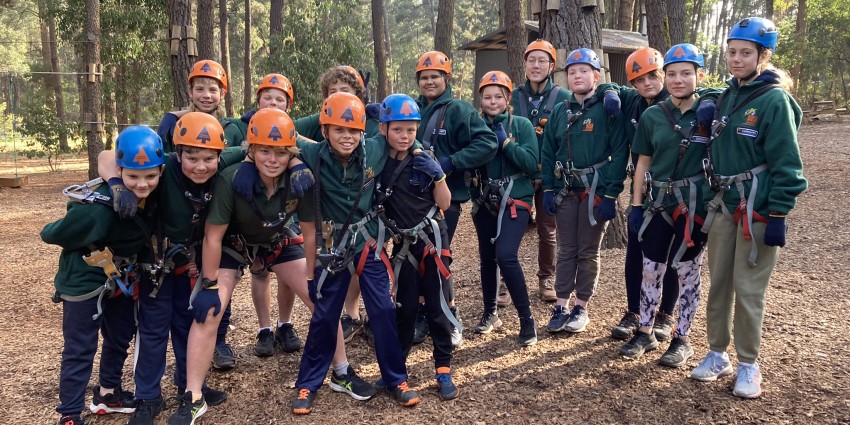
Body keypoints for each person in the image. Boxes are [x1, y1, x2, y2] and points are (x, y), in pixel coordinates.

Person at [691, 17, 807, 399]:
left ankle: (748, 364)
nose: (736, 59)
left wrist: (778, 214)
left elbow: (787, 163)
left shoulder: (773, 101)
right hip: (724, 204)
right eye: (731, 52)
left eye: (745, 53)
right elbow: (706, 95)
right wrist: (707, 102)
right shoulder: (726, 95)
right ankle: (716, 352)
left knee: (749, 287)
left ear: (763, 55)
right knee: (719, 283)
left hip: (757, 208)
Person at [96, 113, 237, 425]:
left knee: (189, 326)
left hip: (190, 266)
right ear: (178, 152)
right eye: (192, 157)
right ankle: (148, 396)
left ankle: (190, 385)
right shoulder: (164, 168)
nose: (200, 166)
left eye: (208, 158)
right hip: (154, 269)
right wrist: (118, 184)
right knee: (153, 331)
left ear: (219, 154)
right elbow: (107, 156)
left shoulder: (222, 163)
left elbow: (254, 150)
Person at [291, 92, 420, 414]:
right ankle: (308, 383)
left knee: (383, 310)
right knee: (324, 315)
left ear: (363, 132)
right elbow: (277, 134)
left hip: (367, 243)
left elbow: (401, 139)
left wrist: (419, 148)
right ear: (325, 132)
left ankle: (395, 378)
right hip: (333, 248)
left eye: (353, 131)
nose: (346, 137)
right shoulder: (312, 153)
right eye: (338, 130)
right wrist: (293, 162)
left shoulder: (374, 148)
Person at [40, 126, 165, 425]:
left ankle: (107, 394)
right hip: (84, 277)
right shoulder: (99, 209)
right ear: (120, 171)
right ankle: (69, 414)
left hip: (122, 274)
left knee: (119, 335)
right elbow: (51, 233)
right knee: (80, 346)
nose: (142, 184)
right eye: (132, 176)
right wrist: (113, 188)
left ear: (160, 170)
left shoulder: (156, 193)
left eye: (150, 176)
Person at [618, 44, 716, 367]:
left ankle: (682, 338)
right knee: (651, 269)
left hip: (693, 205)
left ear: (698, 75)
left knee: (688, 273)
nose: (678, 80)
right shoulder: (652, 116)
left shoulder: (710, 112)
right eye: (671, 74)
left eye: (686, 73)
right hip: (657, 203)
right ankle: (645, 330)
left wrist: (712, 102)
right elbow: (642, 162)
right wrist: (635, 205)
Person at [373, 93, 459, 400]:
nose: (405, 136)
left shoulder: (425, 159)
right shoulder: (379, 162)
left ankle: (444, 369)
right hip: (404, 245)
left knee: (437, 308)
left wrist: (439, 176)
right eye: (398, 129)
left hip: (432, 240)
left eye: (410, 130)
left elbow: (445, 203)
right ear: (384, 129)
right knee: (406, 309)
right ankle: (398, 370)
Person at [412, 50, 499, 346]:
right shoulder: (414, 109)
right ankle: (423, 312)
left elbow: (487, 142)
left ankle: (449, 313)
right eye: (424, 77)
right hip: (411, 198)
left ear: (446, 78)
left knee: (438, 256)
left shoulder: (459, 110)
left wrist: (451, 162)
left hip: (446, 198)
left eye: (435, 76)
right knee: (414, 256)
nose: (429, 82)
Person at [156, 59, 237, 371]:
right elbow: (155, 163)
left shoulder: (231, 126)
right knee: (182, 300)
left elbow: (247, 150)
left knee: (218, 283)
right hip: (180, 218)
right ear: (189, 90)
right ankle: (184, 363)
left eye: (213, 89)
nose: (206, 94)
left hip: (216, 216)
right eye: (200, 88)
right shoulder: (173, 123)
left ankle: (217, 342)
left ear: (222, 94)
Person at [541, 48, 627, 334]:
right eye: (572, 72)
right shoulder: (560, 112)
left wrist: (611, 194)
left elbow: (619, 152)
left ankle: (581, 307)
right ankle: (561, 305)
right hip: (566, 191)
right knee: (566, 250)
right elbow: (548, 152)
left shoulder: (607, 109)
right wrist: (548, 189)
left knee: (588, 251)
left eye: (583, 71)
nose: (577, 76)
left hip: (595, 192)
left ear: (596, 76)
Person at [222, 73, 308, 357]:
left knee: (288, 272)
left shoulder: (292, 127)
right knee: (260, 272)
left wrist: (295, 162)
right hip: (249, 217)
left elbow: (314, 137)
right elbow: (223, 153)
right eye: (267, 98)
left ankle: (285, 323)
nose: (272, 102)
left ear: (288, 105)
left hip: (284, 216)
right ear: (257, 102)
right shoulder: (240, 126)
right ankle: (264, 328)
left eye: (279, 99)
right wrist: (247, 160)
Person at [293, 65, 376, 343]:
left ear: (358, 95)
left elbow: (396, 139)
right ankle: (342, 316)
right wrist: (304, 155)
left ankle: (359, 314)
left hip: (362, 204)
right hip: (325, 205)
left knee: (363, 263)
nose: (339, 96)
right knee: (333, 263)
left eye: (345, 91)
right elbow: (285, 132)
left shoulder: (370, 121)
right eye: (332, 92)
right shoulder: (316, 122)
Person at [471, 71, 539, 347]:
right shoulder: (475, 126)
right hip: (485, 200)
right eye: (487, 97)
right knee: (488, 258)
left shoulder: (521, 125)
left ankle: (526, 319)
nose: (493, 101)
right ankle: (491, 314)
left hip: (515, 199)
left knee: (505, 254)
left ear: (508, 98)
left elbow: (531, 163)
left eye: (498, 96)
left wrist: (506, 143)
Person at [508, 39, 571, 305]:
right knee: (509, 227)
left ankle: (547, 278)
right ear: (524, 64)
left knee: (548, 229)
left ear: (551, 66)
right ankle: (504, 280)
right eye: (531, 60)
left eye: (541, 61)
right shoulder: (512, 95)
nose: (536, 65)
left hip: (548, 175)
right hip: (517, 172)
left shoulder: (563, 97)